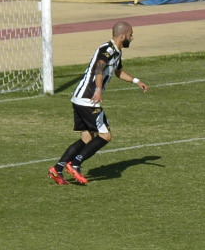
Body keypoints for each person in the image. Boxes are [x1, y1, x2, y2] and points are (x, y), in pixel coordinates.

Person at [49, 20, 149, 185]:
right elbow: (99, 68)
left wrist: (136, 81)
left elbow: (118, 71)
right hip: (89, 99)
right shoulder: (107, 50)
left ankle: (57, 168)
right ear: (123, 35)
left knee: (87, 138)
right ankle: (75, 164)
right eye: (130, 35)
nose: (131, 39)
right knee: (106, 135)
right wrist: (98, 89)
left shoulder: (116, 52)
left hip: (80, 99)